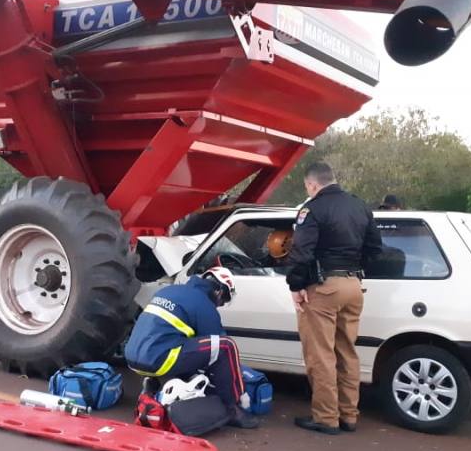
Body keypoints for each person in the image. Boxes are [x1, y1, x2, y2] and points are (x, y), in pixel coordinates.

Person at [286, 162, 382, 435]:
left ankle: (326, 418)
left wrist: (296, 284)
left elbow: (301, 251)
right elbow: (376, 248)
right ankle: (349, 415)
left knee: (320, 355)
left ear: (312, 185)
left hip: (323, 288)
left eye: (307, 187)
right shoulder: (359, 205)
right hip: (353, 285)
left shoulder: (312, 209)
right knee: (347, 352)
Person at [124, 267, 259, 428]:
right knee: (225, 346)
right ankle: (233, 408)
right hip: (160, 360)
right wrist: (236, 387)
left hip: (132, 358)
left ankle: (152, 387)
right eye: (224, 300)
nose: (220, 304)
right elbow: (217, 347)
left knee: (183, 345)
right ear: (219, 291)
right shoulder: (203, 304)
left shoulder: (170, 291)